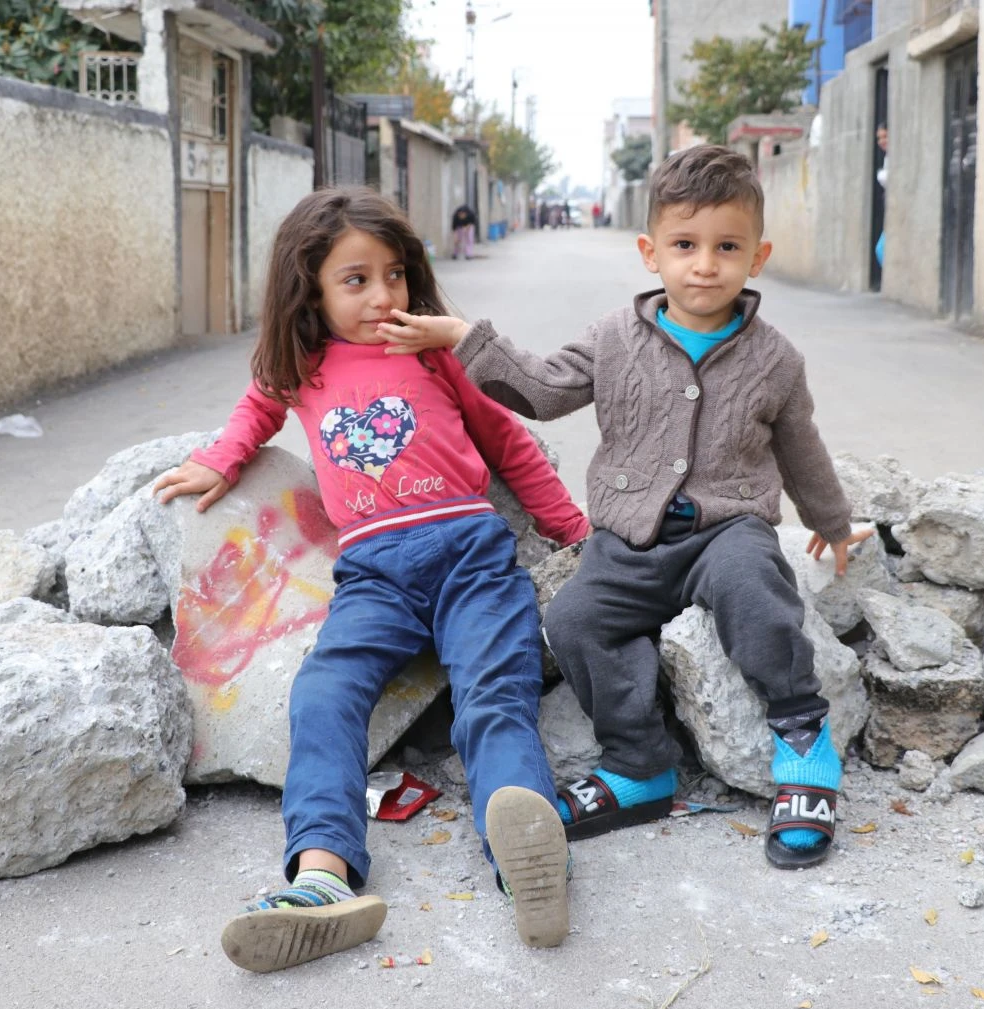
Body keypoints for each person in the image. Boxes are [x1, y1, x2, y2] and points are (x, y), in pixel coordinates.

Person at [377, 145, 873, 871]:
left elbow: (801, 449)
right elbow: (542, 391)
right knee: (576, 620)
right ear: (651, 252)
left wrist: (831, 523)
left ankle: (802, 739)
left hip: (726, 527)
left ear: (757, 257)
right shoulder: (614, 338)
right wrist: (464, 338)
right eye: (684, 245)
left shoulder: (775, 360)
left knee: (758, 593)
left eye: (726, 247)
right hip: (629, 539)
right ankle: (641, 765)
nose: (705, 264)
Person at [153, 186, 586, 973]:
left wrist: (576, 532)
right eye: (356, 280)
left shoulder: (434, 351)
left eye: (394, 274)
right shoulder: (301, 365)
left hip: (472, 560)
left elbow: (510, 446)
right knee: (323, 695)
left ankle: (526, 853)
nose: (383, 295)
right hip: (374, 579)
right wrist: (218, 461)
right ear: (310, 289)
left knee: (496, 694)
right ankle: (322, 875)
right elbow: (254, 415)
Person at [874, 125, 889, 268]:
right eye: (879, 138)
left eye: (885, 136)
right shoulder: (887, 158)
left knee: (880, 249)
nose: (881, 141)